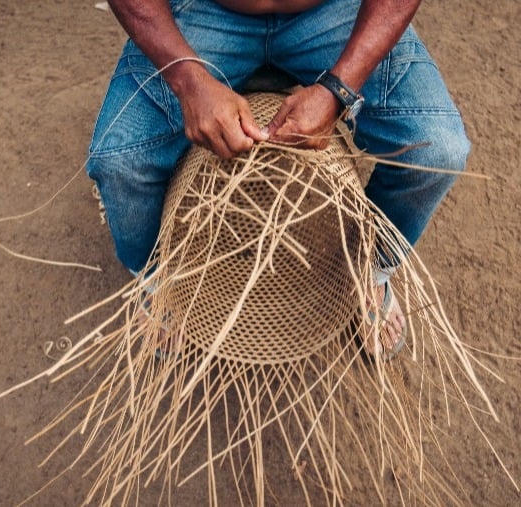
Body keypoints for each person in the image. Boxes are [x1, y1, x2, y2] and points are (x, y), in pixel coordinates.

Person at [86, 0, 470, 357]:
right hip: (204, 9)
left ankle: (371, 267)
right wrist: (188, 81)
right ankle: (157, 279)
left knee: (437, 151)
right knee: (118, 161)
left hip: (334, 9)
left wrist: (338, 88)